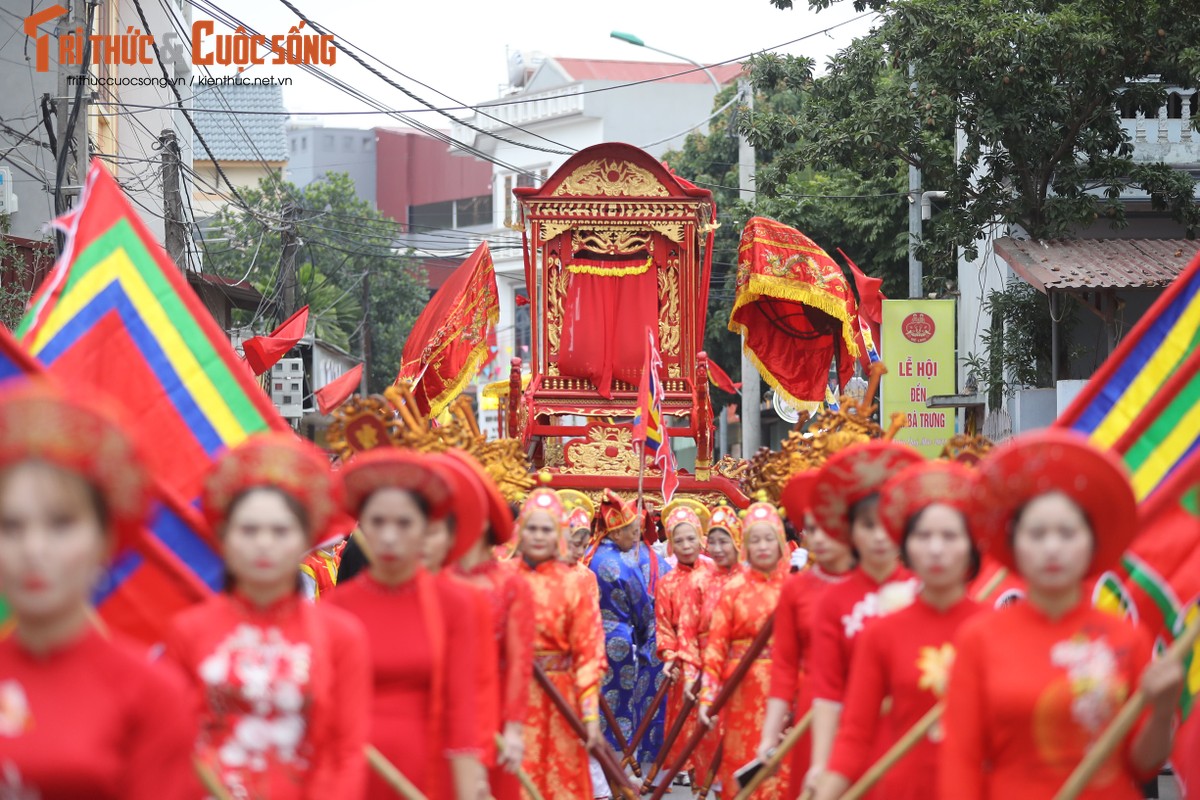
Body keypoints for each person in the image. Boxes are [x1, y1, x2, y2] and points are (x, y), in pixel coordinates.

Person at [941, 429, 1184, 800]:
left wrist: (1164, 705)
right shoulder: (979, 639)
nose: (1052, 548)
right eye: (1037, 534)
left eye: (1068, 533)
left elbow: (1144, 765)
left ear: (1092, 544)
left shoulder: (1125, 638)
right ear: (1014, 544)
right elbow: (960, 762)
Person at [0, 382, 197, 800]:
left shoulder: (152, 695)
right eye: (10, 526)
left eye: (61, 524)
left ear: (106, 537)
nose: (33, 550)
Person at [164, 432, 371, 799]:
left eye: (280, 530)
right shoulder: (187, 631)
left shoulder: (342, 636)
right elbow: (169, 749)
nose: (264, 543)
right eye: (249, 530)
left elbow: (348, 753)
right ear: (225, 537)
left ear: (305, 538)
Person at [813, 460, 984, 800]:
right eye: (923, 536)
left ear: (972, 546)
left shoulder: (995, 629)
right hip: (903, 788)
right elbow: (855, 735)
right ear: (905, 545)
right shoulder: (882, 634)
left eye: (950, 536)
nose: (936, 549)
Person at [327, 449, 483, 800]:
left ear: (426, 527)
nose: (390, 536)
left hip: (430, 768)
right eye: (378, 522)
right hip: (353, 769)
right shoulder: (339, 606)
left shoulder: (455, 604)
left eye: (404, 523)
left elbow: (464, 709)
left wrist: (470, 788)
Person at [804, 440, 924, 794]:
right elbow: (827, 692)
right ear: (850, 532)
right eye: (868, 525)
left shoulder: (925, 592)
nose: (879, 536)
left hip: (917, 743)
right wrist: (821, 765)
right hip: (853, 748)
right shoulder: (834, 601)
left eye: (888, 524)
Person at [759, 470, 856, 797]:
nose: (821, 538)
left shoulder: (879, 586)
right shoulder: (796, 590)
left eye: (831, 526)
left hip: (869, 712)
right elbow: (784, 666)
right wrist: (770, 736)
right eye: (812, 529)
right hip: (812, 713)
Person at [445, 450, 535, 800]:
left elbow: (519, 662)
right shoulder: (437, 578)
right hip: (441, 714)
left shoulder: (511, 585)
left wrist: (513, 728)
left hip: (493, 714)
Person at [515, 488, 606, 798]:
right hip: (513, 698)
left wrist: (590, 714)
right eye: (532, 528)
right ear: (521, 531)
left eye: (546, 529)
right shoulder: (504, 580)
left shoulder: (573, 585)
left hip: (562, 698)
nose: (539, 536)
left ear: (558, 534)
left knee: (561, 780)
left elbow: (588, 652)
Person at [698, 501, 791, 798]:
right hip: (741, 691)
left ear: (780, 542)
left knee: (782, 766)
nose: (762, 546)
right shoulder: (734, 589)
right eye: (755, 539)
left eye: (768, 538)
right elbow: (716, 646)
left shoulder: (794, 588)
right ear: (745, 545)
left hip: (787, 689)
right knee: (742, 760)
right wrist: (708, 697)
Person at [677, 504, 745, 785]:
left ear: (737, 540)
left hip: (742, 674)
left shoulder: (748, 580)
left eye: (723, 540)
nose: (716, 548)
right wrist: (692, 675)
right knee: (710, 744)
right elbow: (687, 630)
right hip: (707, 673)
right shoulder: (699, 580)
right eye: (712, 541)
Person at [589, 490, 657, 758]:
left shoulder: (588, 557)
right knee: (617, 705)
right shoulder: (624, 564)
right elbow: (642, 610)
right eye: (631, 532)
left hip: (588, 637)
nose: (635, 536)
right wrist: (643, 640)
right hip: (618, 639)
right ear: (615, 533)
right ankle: (614, 761)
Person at [655, 499, 711, 781]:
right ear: (671, 545)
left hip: (711, 653)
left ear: (701, 539)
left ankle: (707, 759)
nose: (686, 545)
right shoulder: (666, 582)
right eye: (679, 540)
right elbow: (663, 623)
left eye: (691, 538)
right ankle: (682, 763)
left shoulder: (714, 574)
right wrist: (669, 654)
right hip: (680, 655)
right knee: (682, 708)